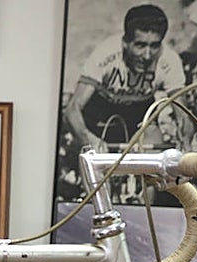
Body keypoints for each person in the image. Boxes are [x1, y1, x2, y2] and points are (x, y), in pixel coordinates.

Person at [63, 4, 185, 152]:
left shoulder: (169, 60)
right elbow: (72, 109)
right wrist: (87, 139)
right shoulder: (105, 53)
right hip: (100, 111)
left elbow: (183, 113)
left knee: (152, 158)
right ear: (125, 43)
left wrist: (185, 140)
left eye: (154, 46)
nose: (147, 55)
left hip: (139, 112)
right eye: (140, 45)